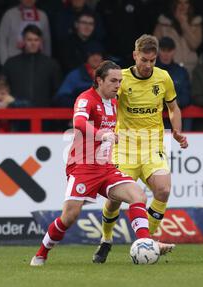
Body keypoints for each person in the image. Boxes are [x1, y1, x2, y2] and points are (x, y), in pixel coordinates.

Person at [30, 60, 175, 266]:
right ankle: (42, 253)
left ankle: (145, 242)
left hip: (106, 168)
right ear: (99, 80)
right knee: (69, 217)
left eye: (120, 81)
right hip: (83, 167)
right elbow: (78, 123)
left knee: (138, 195)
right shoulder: (85, 99)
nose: (118, 85)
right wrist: (101, 135)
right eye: (113, 81)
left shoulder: (115, 103)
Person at [92, 35, 188, 264]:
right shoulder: (121, 79)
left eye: (152, 61)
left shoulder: (163, 78)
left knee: (163, 190)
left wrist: (176, 130)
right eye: (144, 60)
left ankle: (149, 240)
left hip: (153, 145)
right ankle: (106, 240)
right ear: (135, 56)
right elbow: (101, 99)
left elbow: (173, 107)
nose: (148, 66)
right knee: (115, 199)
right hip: (123, 148)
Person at [153, 0, 203, 81]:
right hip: (169, 68)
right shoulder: (163, 23)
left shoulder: (196, 23)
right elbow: (154, 46)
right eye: (179, 3)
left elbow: (194, 45)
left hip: (190, 67)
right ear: (174, 4)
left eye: (186, 3)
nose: (182, 6)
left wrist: (184, 24)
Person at [0, 0, 51, 66]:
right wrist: (5, 63)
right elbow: (1, 41)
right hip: (13, 63)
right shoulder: (9, 14)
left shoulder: (43, 16)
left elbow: (46, 42)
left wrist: (46, 64)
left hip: (37, 64)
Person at [53, 43, 104, 107]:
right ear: (86, 57)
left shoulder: (111, 75)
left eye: (99, 55)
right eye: (92, 54)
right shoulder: (75, 76)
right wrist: (82, 103)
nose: (96, 58)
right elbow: (60, 99)